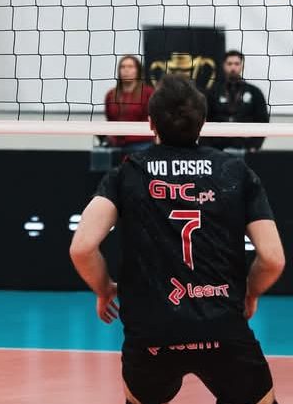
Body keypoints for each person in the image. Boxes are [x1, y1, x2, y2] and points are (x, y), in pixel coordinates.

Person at [70, 74, 285, 404]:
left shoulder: (127, 173)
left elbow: (82, 247)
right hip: (222, 329)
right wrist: (250, 293)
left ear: (150, 123)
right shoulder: (235, 172)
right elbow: (273, 258)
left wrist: (104, 289)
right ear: (204, 122)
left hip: (152, 334)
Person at [204, 50, 269, 153]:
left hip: (244, 147)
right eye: (229, 64)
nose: (233, 67)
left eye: (236, 64)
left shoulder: (254, 92)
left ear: (242, 66)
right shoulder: (213, 92)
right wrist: (207, 146)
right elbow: (205, 119)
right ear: (224, 66)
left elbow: (263, 120)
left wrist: (254, 145)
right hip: (217, 148)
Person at [103, 55, 155, 153]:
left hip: (142, 144)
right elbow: (110, 120)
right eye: (123, 67)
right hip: (116, 145)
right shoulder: (111, 94)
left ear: (138, 70)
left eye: (130, 67)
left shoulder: (148, 93)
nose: (126, 70)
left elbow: (153, 119)